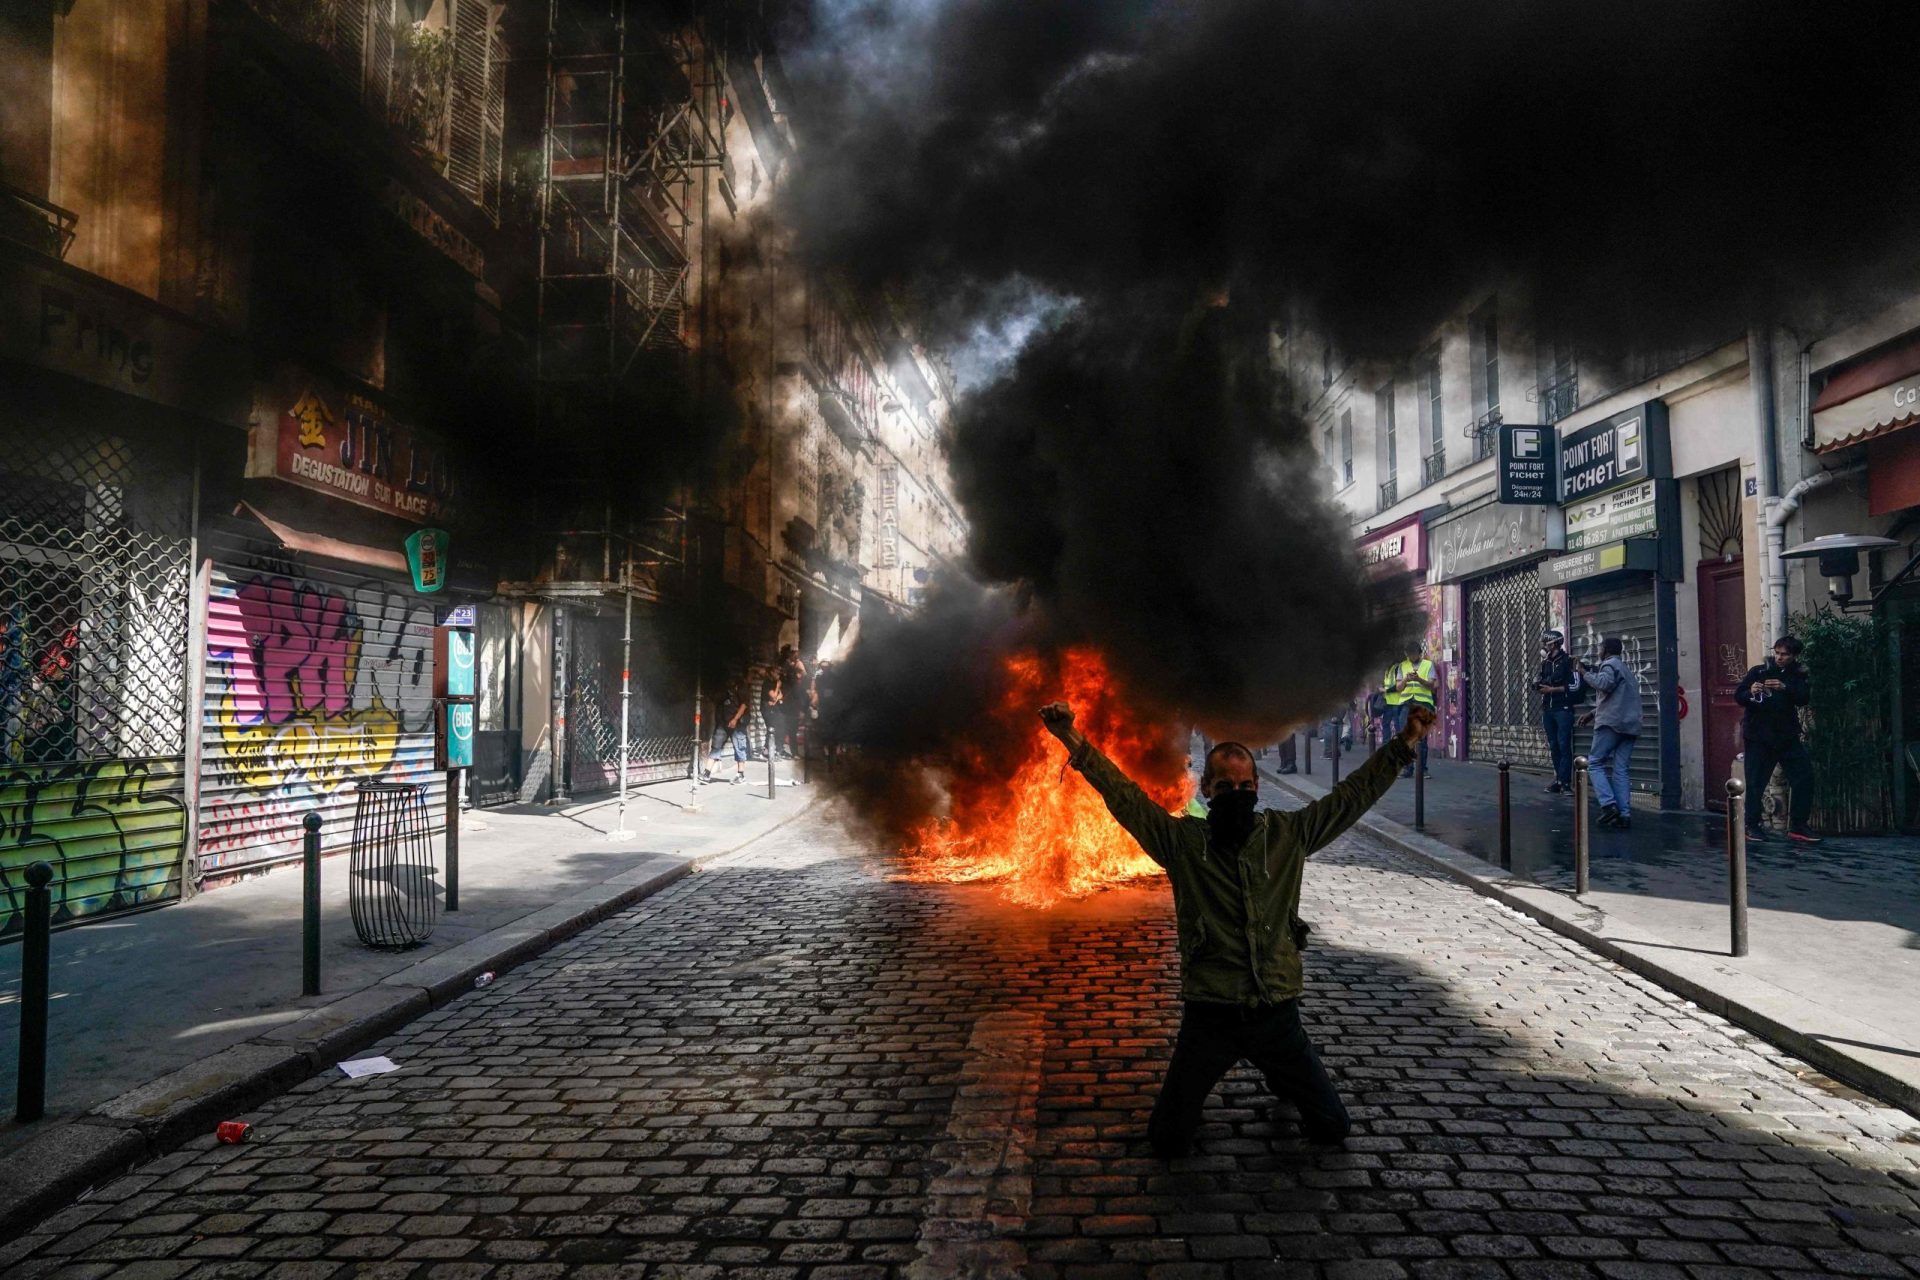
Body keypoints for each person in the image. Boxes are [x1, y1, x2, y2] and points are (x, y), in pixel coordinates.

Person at [1039, 696, 1438, 1158]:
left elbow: (1351, 796)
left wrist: (1405, 742)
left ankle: (1282, 1071)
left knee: (1332, 1128)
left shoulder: (1288, 836)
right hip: (1211, 1016)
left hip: (1275, 1015)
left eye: (1245, 786)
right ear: (1206, 789)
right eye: (1225, 786)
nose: (1237, 794)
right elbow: (1124, 796)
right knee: (1167, 1140)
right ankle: (1264, 1077)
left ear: (1257, 788)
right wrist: (1070, 736)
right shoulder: (1183, 843)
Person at [1736, 636, 1820, 844]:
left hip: (1786, 736)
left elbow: (1803, 698)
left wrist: (1785, 688)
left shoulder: (1798, 675)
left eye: (1785, 654)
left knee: (1804, 777)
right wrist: (1751, 692)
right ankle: (1751, 825)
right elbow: (1739, 696)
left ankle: (1799, 826)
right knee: (1756, 781)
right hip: (1758, 736)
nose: (1780, 658)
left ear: (1793, 656)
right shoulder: (1759, 671)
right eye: (1778, 653)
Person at [1577, 637, 1641, 829]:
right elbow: (1617, 698)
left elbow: (1604, 684)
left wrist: (1583, 673)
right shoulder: (1626, 670)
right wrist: (1591, 713)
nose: (1598, 650)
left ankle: (1608, 805)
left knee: (1595, 763)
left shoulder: (1609, 665)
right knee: (1621, 769)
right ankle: (1624, 814)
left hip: (1611, 724)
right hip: (1631, 724)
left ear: (1605, 650)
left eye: (1599, 647)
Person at [1385, 641, 1437, 779]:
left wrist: (1419, 679)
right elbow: (1399, 687)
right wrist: (1405, 680)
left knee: (1422, 738)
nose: (1410, 656)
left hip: (1423, 704)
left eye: (1412, 654)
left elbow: (1432, 685)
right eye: (1408, 654)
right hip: (1406, 705)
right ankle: (1407, 768)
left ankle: (1423, 769)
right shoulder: (1403, 666)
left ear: (1419, 653)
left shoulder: (1428, 665)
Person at [1535, 629, 1578, 794]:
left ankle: (1566, 782)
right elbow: (1540, 680)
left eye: (1547, 642)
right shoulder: (1545, 663)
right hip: (1548, 709)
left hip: (1563, 709)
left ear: (1554, 643)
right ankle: (1558, 779)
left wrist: (1553, 689)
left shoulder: (1568, 661)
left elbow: (1575, 686)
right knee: (1554, 745)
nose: (1545, 646)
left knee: (1564, 744)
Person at [704, 676, 750, 783]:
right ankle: (706, 773)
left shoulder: (742, 688)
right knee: (716, 747)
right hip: (723, 723)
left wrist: (735, 719)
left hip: (737, 724)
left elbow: (744, 705)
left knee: (739, 747)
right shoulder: (723, 690)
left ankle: (741, 775)